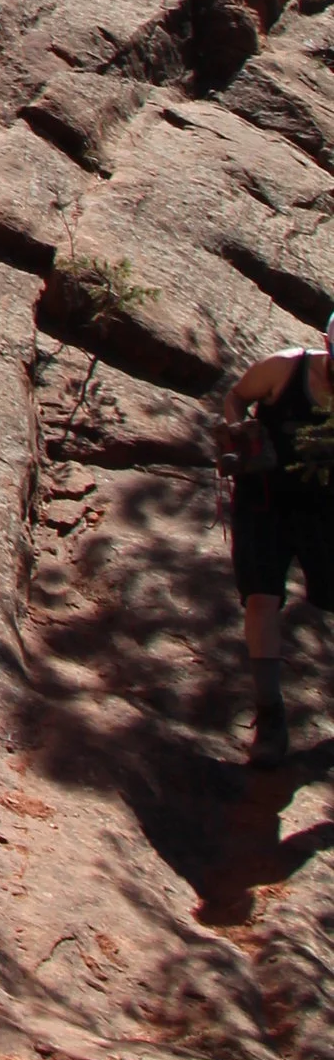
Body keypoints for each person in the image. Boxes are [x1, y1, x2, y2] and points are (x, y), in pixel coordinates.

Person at [216, 323, 334, 766]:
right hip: (264, 499)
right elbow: (235, 398)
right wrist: (240, 435)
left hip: (325, 508)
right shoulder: (284, 369)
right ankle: (271, 717)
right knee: (262, 599)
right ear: (328, 345)